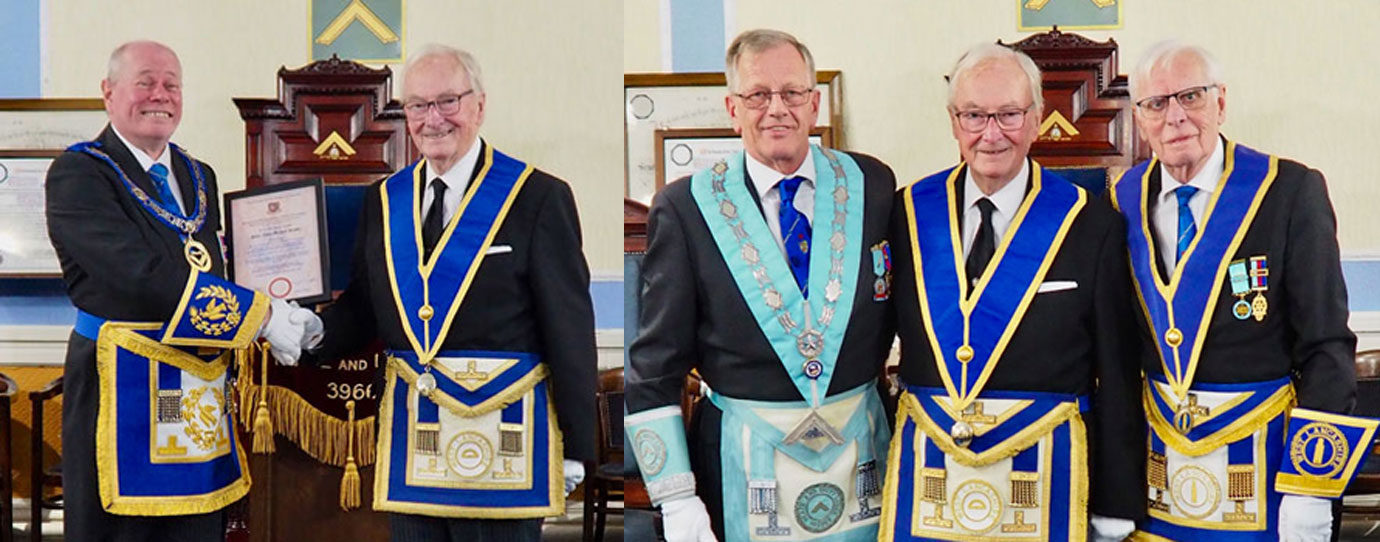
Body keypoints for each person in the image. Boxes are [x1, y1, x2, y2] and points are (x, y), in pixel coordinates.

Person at [303, 44, 595, 542]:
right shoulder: (384, 199)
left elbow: (568, 329)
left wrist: (576, 444)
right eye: (417, 105)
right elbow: (366, 307)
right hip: (415, 443)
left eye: (447, 102)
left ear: (479, 105)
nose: (432, 119)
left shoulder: (538, 197)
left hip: (507, 442)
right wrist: (308, 331)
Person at [625, 29, 897, 542]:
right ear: (733, 108)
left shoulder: (873, 184)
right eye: (757, 95)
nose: (777, 109)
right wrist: (676, 497)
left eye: (792, 93)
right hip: (740, 463)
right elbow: (655, 362)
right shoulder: (685, 208)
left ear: (814, 103)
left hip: (865, 453)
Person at [876, 43, 1145, 542]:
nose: (991, 133)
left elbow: (1119, 371)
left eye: (1009, 114)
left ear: (1038, 118)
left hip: (1048, 475)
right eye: (975, 115)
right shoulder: (907, 213)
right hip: (931, 474)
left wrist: (1115, 498)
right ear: (954, 121)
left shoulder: (1091, 223)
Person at [45, 40, 309, 541]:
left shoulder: (198, 174)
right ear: (108, 92)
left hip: (197, 392)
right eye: (144, 81)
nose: (159, 94)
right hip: (120, 394)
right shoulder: (80, 173)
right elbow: (140, 276)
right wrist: (264, 318)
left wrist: (283, 290)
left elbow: (221, 267)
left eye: (171, 84)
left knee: (197, 526)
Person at [1114, 41, 1373, 542]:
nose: (1175, 118)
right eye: (1156, 103)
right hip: (1158, 481)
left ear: (1221, 102)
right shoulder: (1121, 199)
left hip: (1266, 480)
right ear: (1139, 118)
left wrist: (1310, 488)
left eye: (1191, 97)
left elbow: (1326, 347)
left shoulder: (1288, 191)